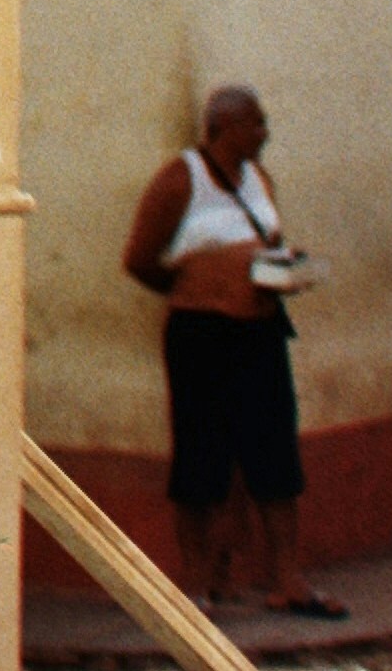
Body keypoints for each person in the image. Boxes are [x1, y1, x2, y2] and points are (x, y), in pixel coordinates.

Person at [122, 85, 345, 617]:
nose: (265, 133)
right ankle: (200, 583)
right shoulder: (182, 179)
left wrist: (279, 270)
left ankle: (286, 577)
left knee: (273, 454)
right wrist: (200, 287)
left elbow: (269, 240)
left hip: (260, 330)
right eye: (256, 123)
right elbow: (140, 258)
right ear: (223, 127)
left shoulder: (258, 179)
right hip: (201, 334)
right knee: (202, 455)